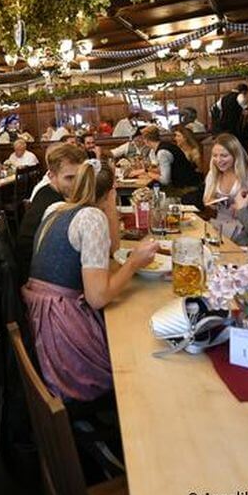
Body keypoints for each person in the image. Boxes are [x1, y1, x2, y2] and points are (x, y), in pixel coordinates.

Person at [21, 160, 158, 401]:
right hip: (62, 328)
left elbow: (112, 248)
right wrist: (134, 263)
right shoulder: (91, 217)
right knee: (138, 352)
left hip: (38, 315)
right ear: (108, 191)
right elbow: (97, 298)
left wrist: (109, 204)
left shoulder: (56, 208)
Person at [16, 143, 86, 283]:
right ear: (52, 176)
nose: (76, 184)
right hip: (36, 279)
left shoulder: (50, 191)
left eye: (79, 177)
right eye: (69, 178)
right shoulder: (55, 205)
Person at [203, 134, 248, 237]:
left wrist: (240, 209)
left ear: (236, 155)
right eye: (215, 156)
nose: (219, 160)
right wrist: (211, 203)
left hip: (243, 229)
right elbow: (206, 200)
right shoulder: (212, 174)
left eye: (224, 156)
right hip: (218, 226)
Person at [142, 125, 201, 193]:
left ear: (146, 140)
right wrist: (148, 171)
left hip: (185, 189)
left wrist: (147, 173)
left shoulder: (162, 153)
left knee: (145, 193)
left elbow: (165, 180)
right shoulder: (167, 146)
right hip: (189, 184)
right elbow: (165, 169)